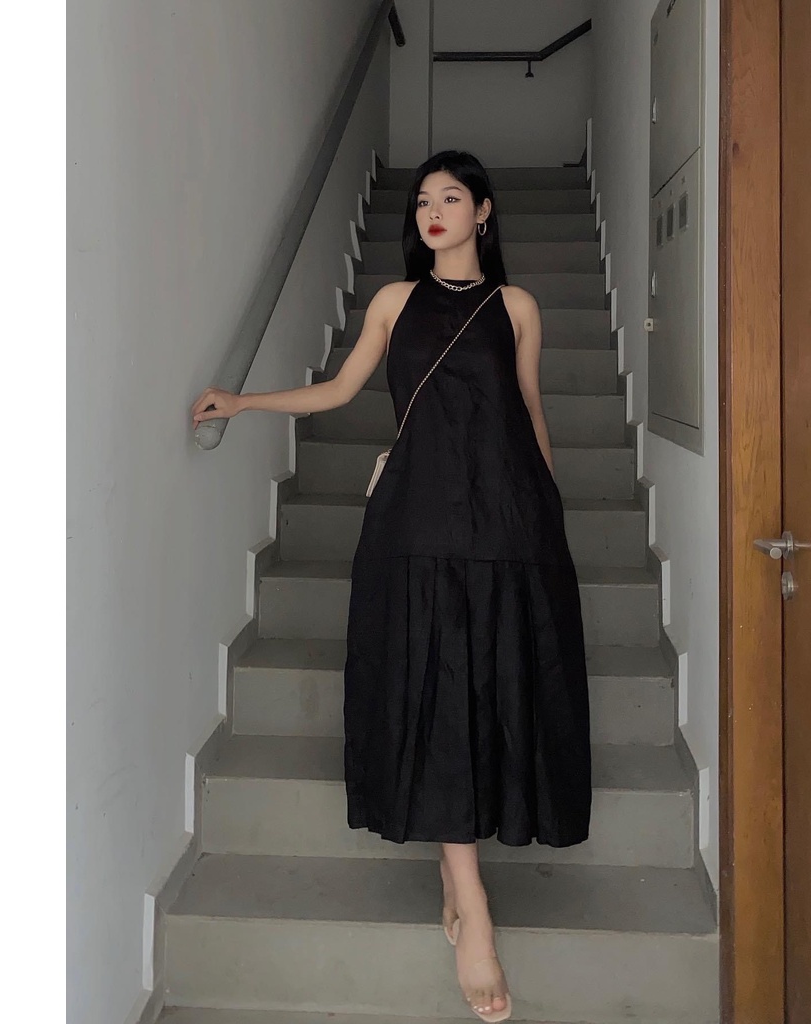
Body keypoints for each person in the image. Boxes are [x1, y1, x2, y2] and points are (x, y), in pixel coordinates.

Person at [191, 150, 592, 1023]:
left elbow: (528, 410)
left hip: (506, 518)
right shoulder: (392, 302)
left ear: (483, 211)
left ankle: (457, 880)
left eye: (450, 198)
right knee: (437, 686)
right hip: (417, 518)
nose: (431, 212)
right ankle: (472, 904)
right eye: (421, 202)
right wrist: (245, 403)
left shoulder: (517, 307)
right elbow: (340, 390)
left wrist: (548, 517)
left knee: (484, 687)